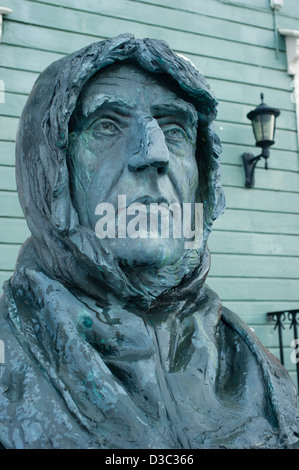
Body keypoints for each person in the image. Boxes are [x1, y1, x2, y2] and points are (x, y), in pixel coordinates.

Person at [0, 34, 298, 449]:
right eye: (106, 125)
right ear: (50, 165)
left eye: (175, 130)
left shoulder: (256, 366)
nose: (152, 153)